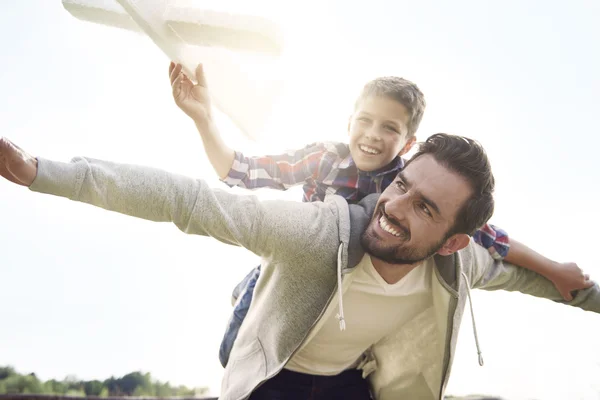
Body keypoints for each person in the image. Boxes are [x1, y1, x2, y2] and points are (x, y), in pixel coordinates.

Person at [1, 133, 597, 400]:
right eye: (403, 186)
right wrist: (43, 172)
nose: (393, 209)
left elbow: (542, 285)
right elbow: (192, 202)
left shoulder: (458, 267)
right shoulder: (322, 233)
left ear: (451, 240)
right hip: (274, 378)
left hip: (346, 385)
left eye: (424, 208)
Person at [168, 62, 592, 367]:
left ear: (408, 142)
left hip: (356, 293)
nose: (372, 135)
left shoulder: (409, 183)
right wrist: (204, 119)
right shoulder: (323, 159)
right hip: (293, 278)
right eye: (365, 120)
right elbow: (239, 171)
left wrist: (553, 269)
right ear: (349, 120)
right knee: (233, 355)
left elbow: (489, 238)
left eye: (389, 128)